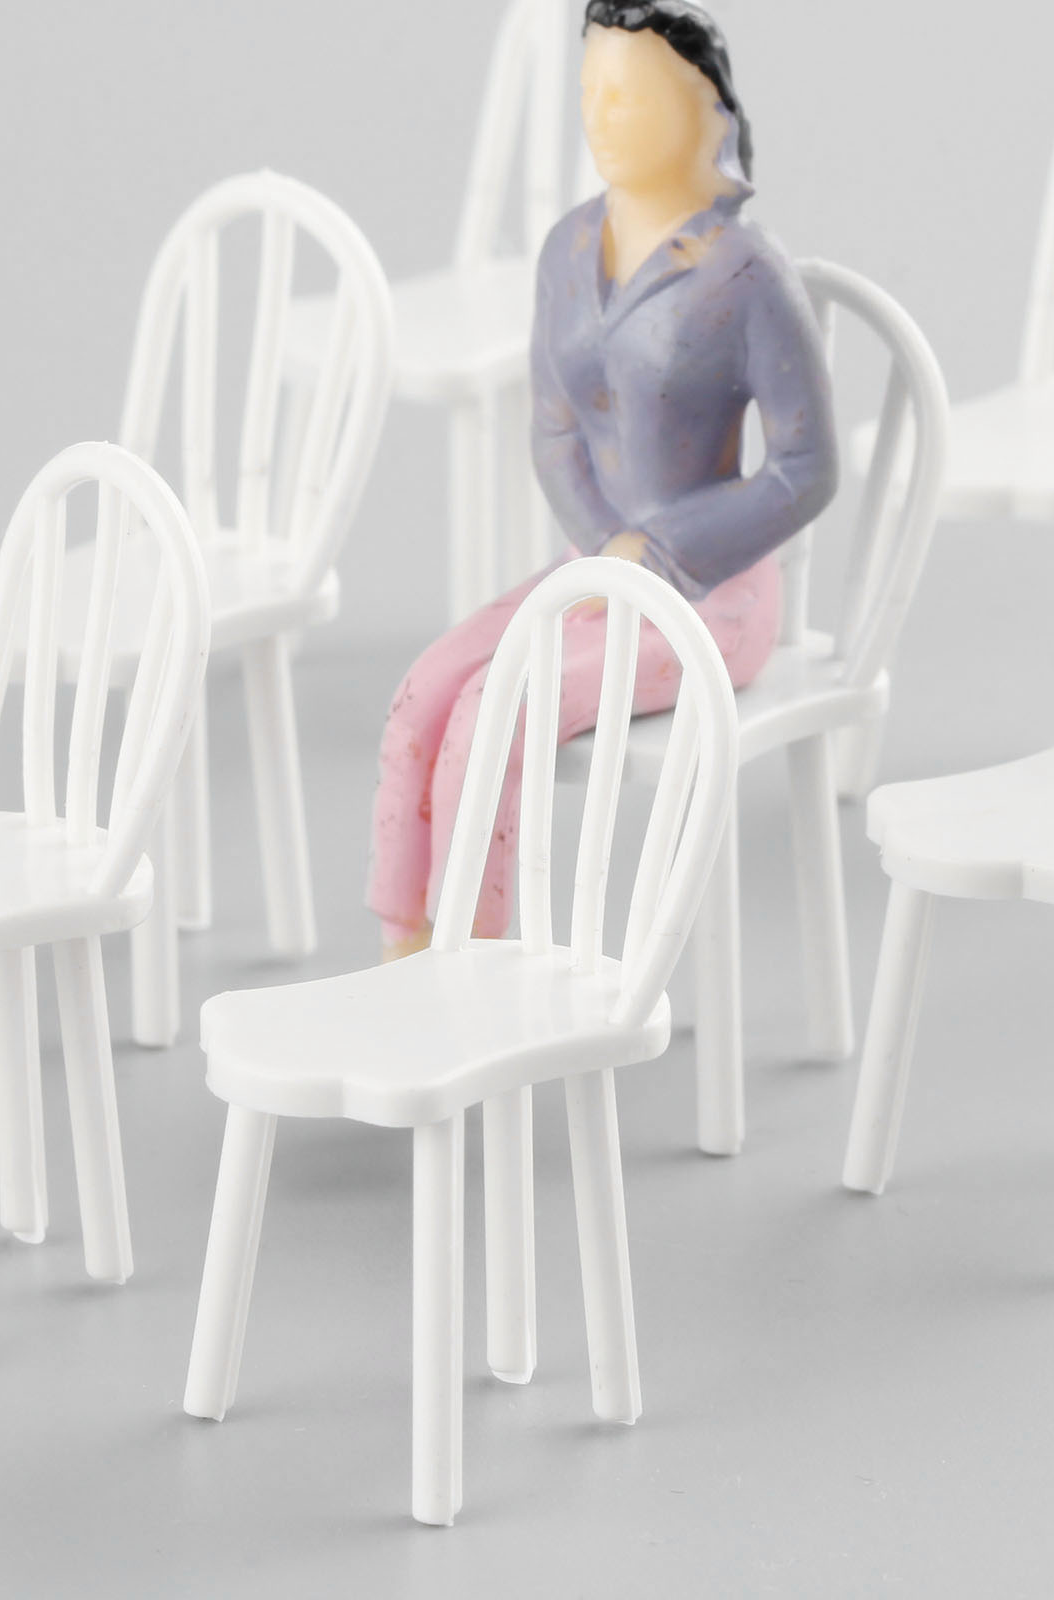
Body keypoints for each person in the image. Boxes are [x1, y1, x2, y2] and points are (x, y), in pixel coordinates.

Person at [369, 0, 837, 959]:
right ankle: (403, 953)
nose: (600, 115)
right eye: (590, 90)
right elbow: (553, 431)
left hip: (711, 596)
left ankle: (471, 963)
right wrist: (604, 554)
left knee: (497, 712)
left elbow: (808, 467)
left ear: (701, 107)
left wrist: (658, 555)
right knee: (426, 694)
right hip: (593, 571)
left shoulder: (747, 274)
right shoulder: (568, 251)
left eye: (629, 95)